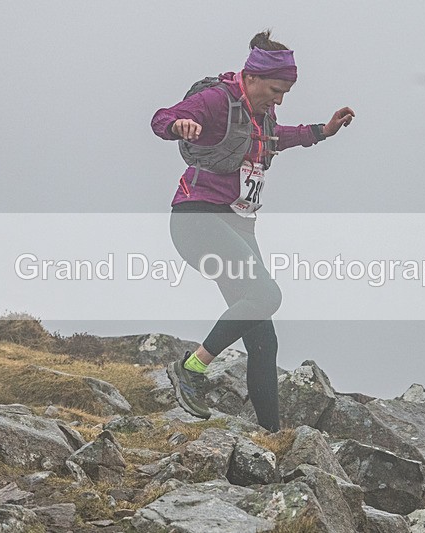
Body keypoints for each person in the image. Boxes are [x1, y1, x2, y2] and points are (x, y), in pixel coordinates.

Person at [151, 30, 354, 432]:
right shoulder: (215, 100)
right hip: (198, 218)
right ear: (253, 77)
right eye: (276, 90)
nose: (279, 99)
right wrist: (180, 126)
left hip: (238, 224)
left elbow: (278, 138)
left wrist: (321, 131)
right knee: (266, 295)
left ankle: (271, 436)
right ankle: (191, 369)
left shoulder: (263, 115)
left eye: (285, 93)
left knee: (264, 339)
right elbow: (160, 118)